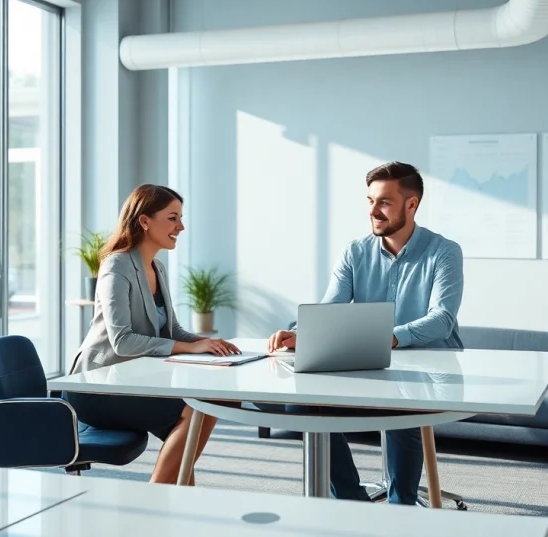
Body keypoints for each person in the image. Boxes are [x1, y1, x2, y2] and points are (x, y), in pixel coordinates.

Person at [266, 161, 465, 505]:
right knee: (300, 405)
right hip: (368, 361)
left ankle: (401, 508)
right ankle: (349, 499)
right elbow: (332, 306)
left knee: (401, 404)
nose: (374, 210)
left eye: (384, 202)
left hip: (430, 366)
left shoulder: (443, 251)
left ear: (411, 204)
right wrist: (302, 333)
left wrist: (389, 337)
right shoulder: (355, 252)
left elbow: (442, 319)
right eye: (370, 200)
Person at [68, 184, 241, 485]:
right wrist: (191, 349)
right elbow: (122, 341)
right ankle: (156, 497)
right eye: (173, 218)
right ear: (145, 221)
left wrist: (206, 343)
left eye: (181, 218)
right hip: (98, 386)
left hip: (131, 379)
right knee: (196, 410)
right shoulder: (116, 266)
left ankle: (176, 503)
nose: (181, 226)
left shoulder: (156, 267)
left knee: (209, 407)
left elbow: (171, 330)